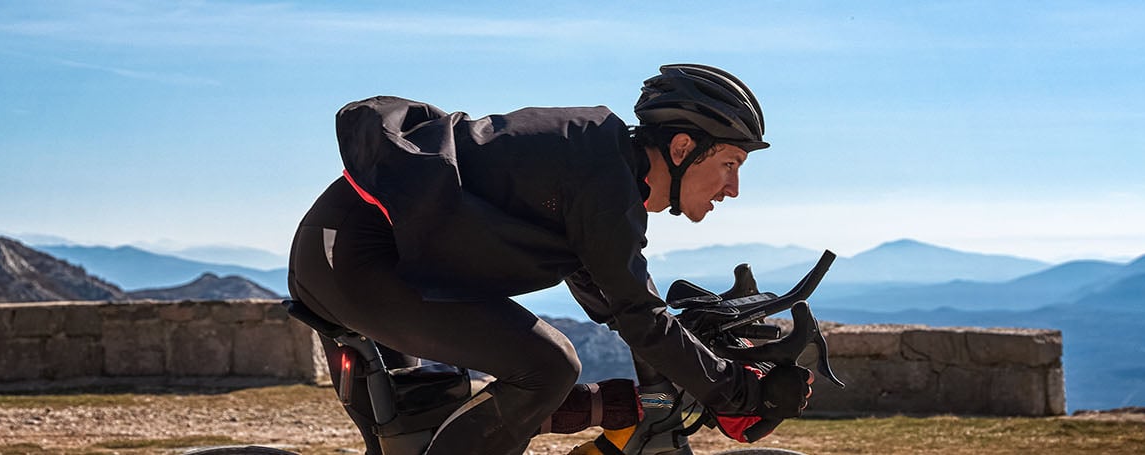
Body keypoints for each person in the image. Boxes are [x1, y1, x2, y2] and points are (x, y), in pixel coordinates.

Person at [287, 63, 812, 455]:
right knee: (548, 364)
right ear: (681, 148)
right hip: (358, 257)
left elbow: (621, 304)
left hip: (348, 253)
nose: (734, 187)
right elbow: (638, 314)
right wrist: (737, 391)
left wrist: (696, 374)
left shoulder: (600, 166)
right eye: (729, 163)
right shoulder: (603, 180)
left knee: (416, 427)